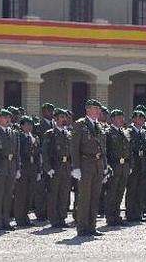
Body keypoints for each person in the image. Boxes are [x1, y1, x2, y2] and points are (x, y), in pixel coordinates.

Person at [70, 99, 107, 237]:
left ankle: (92, 226)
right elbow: (74, 147)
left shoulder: (99, 126)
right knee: (84, 197)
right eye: (95, 109)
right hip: (85, 164)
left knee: (95, 197)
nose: (98, 112)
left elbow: (103, 148)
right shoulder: (80, 124)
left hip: (97, 164)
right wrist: (76, 167)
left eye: (99, 109)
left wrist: (105, 166)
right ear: (88, 110)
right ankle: (82, 227)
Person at [42, 108, 72, 229]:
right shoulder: (50, 134)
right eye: (61, 117)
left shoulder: (68, 134)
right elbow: (45, 153)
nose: (64, 119)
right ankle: (54, 219)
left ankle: (62, 218)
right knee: (53, 194)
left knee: (64, 194)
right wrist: (48, 168)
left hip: (66, 168)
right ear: (55, 119)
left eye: (65, 117)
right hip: (55, 167)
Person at [14, 116, 41, 227]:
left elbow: (37, 155)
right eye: (27, 124)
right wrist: (17, 169)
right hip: (23, 168)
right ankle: (19, 218)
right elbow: (17, 153)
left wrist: (39, 170)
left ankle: (25, 216)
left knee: (29, 194)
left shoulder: (35, 137)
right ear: (21, 126)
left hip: (32, 168)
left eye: (31, 124)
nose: (29, 127)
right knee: (21, 194)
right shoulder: (19, 137)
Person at [105, 109, 131, 226]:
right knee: (112, 192)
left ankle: (117, 215)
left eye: (122, 117)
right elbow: (106, 151)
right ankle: (110, 217)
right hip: (114, 165)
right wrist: (107, 166)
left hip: (124, 165)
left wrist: (130, 164)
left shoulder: (124, 132)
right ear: (113, 119)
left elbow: (129, 150)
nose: (122, 120)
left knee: (120, 191)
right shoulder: (108, 133)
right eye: (119, 118)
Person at [125, 110, 146, 223]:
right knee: (132, 189)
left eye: (142, 118)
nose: (141, 120)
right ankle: (130, 213)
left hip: (143, 164)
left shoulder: (144, 132)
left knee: (141, 189)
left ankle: (139, 212)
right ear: (133, 119)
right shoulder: (129, 132)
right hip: (134, 163)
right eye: (139, 118)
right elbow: (129, 149)